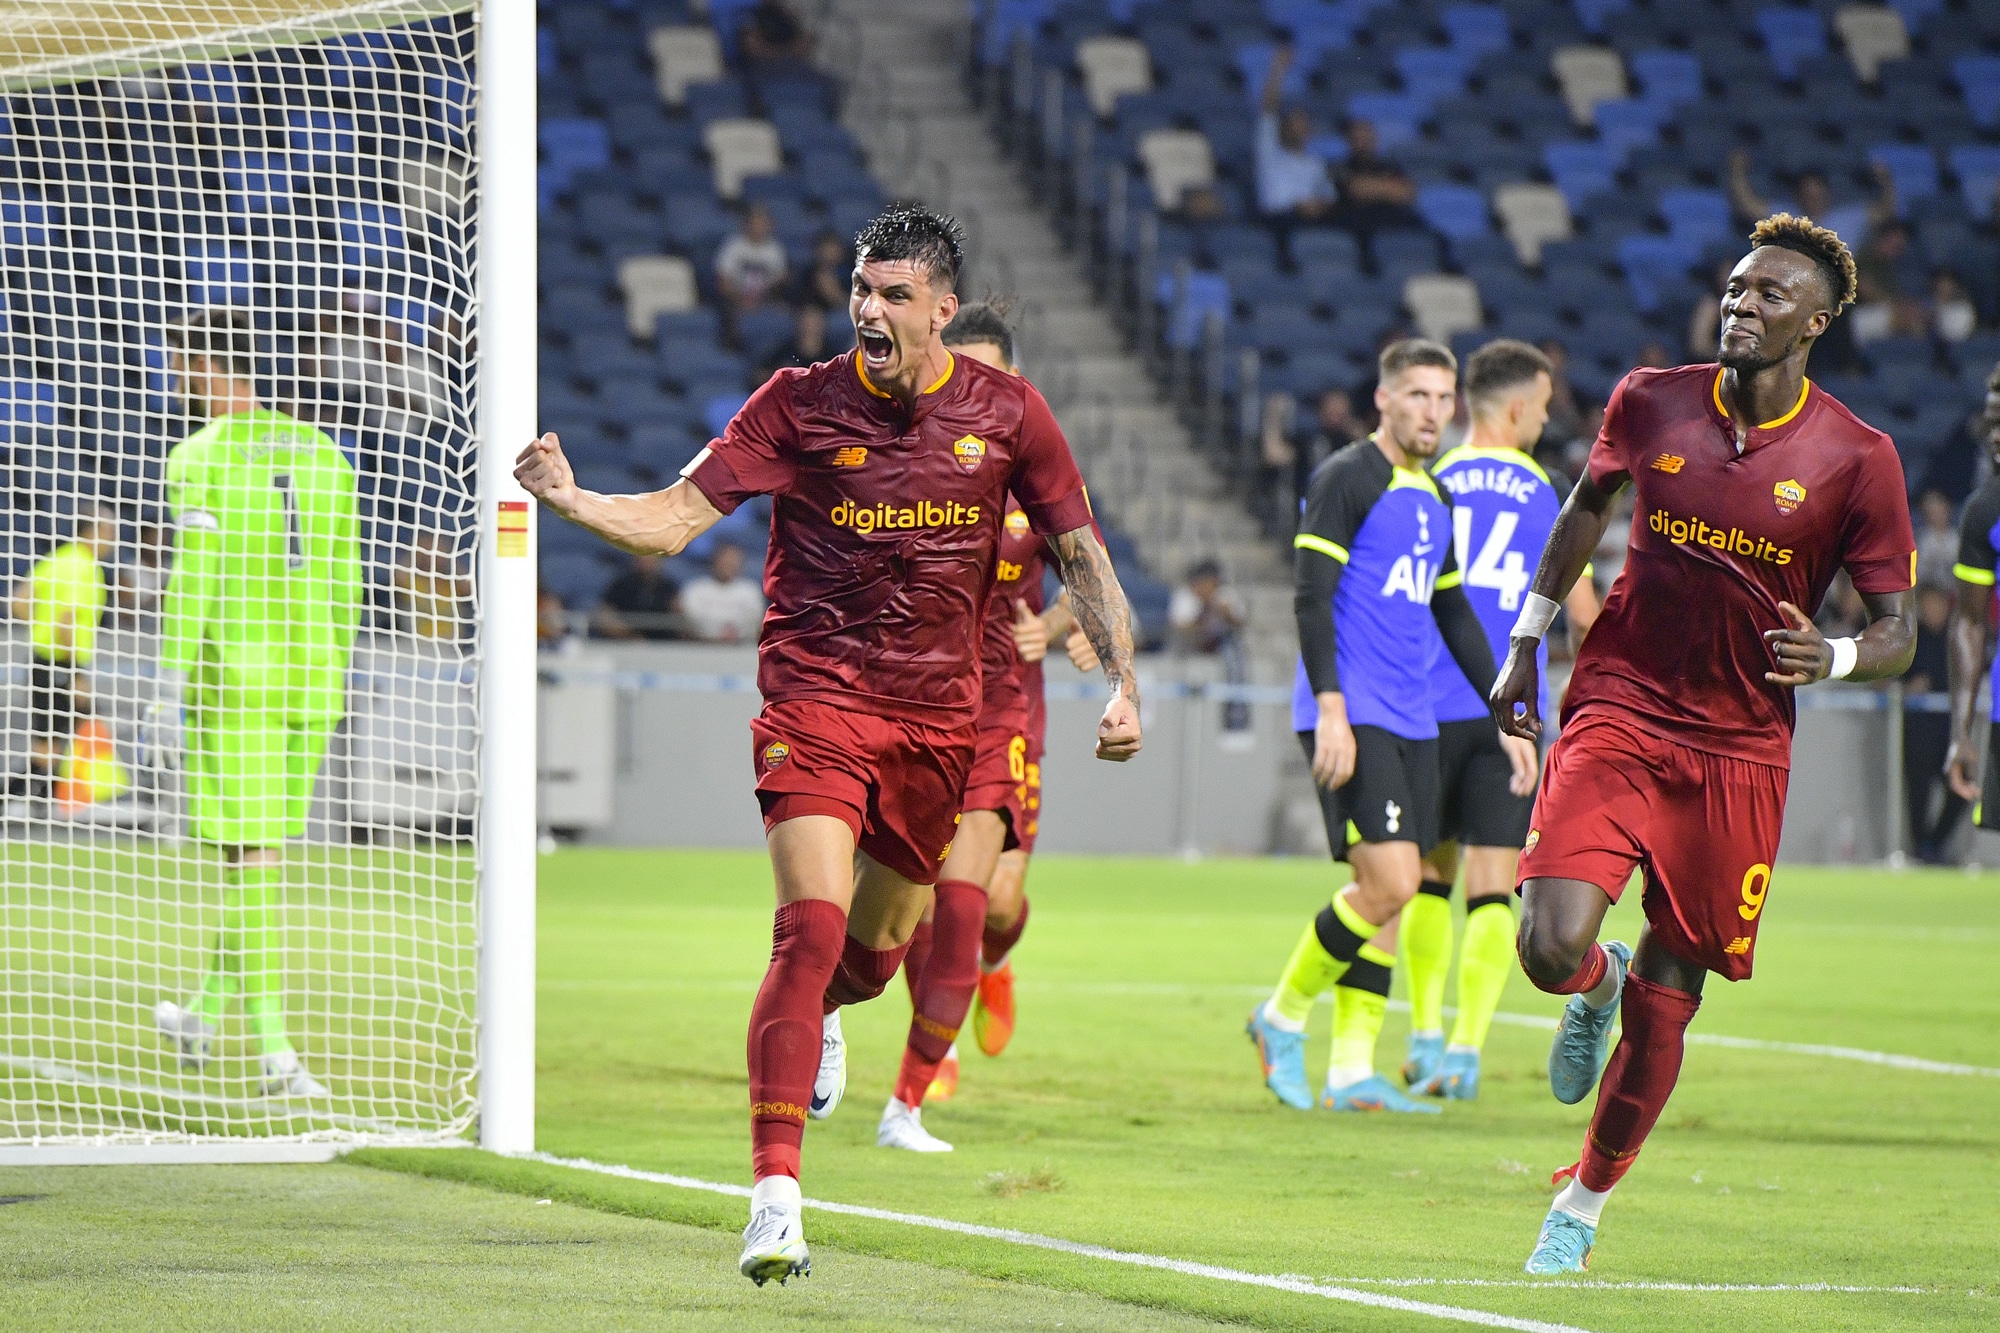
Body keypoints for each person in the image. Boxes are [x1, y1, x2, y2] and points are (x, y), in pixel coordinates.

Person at [512, 204, 1142, 1286]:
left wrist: (1125, 683)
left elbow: (1082, 555)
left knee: (875, 951)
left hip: (937, 723)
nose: (869, 310)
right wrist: (571, 500)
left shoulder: (1010, 414)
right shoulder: (796, 403)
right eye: (860, 289)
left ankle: (831, 1015)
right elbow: (675, 517)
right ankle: (774, 1202)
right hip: (815, 699)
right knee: (806, 929)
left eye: (895, 295)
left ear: (941, 309)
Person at [1492, 214, 1916, 1273]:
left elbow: (1898, 629)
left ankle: (1582, 1204)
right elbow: (1584, 508)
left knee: (1670, 997)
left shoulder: (1857, 457)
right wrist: (1525, 643)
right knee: (1545, 946)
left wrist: (1837, 656)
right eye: (1734, 288)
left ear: (1815, 323)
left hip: (1739, 748)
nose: (1741, 305)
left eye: (1769, 295)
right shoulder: (1650, 399)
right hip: (1623, 704)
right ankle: (1591, 983)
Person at [1244, 338, 1530, 1115]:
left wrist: (1506, 713)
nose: (1433, 413)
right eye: (1417, 396)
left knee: (1386, 894)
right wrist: (1330, 708)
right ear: (1384, 399)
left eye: (1443, 399)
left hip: (1415, 716)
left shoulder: (1434, 494)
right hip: (1354, 709)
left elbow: (1453, 610)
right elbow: (1311, 597)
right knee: (1394, 882)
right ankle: (1281, 1018)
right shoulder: (1347, 477)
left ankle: (1349, 1069)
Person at [883, 301, 1099, 1140]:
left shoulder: (1036, 466)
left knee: (997, 898)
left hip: (1006, 706)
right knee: (929, 890)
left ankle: (995, 963)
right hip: (919, 703)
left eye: (985, 372)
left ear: (1014, 380)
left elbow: (1092, 579)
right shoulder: (909, 462)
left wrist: (1064, 626)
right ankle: (927, 1060)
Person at [151, 308, 363, 1100]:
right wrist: (335, 668)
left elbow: (194, 576)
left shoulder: (199, 455)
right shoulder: (322, 450)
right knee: (262, 859)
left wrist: (167, 682)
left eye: (180, 363)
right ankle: (201, 1014)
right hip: (313, 676)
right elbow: (346, 576)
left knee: (251, 859)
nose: (175, 378)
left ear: (206, 365)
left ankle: (276, 1051)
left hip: (234, 684)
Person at [1400, 340, 1601, 1101]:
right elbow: (1583, 616)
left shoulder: (1431, 478)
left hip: (1425, 704)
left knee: (1428, 878)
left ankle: (1423, 1033)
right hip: (1508, 715)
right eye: (1543, 408)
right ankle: (1463, 1052)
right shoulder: (1549, 493)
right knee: (1491, 887)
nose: (1545, 420)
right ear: (1517, 409)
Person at [10, 501, 116, 796]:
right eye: (109, 532)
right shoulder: (83, 568)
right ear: (92, 532)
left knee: (52, 739)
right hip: (61, 663)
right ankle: (24, 796)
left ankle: (47, 796)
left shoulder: (58, 559)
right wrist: (74, 673)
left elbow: (19, 600)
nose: (112, 541)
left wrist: (40, 628)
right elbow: (67, 621)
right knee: (55, 741)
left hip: (42, 659)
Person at [1944, 366, 2000, 842]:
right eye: (1992, 422)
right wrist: (1960, 732)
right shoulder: (1985, 511)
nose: (1995, 436)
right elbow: (1969, 623)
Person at [1903, 585, 1965, 863]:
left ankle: (1935, 843)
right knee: (1918, 791)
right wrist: (1908, 687)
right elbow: (1889, 678)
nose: (1932, 610)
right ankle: (1921, 848)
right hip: (1918, 729)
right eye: (1926, 604)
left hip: (1950, 731)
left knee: (1961, 788)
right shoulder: (1911, 637)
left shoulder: (1957, 637)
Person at [1255, 45, 1335, 251]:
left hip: (1312, 220)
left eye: (1303, 124)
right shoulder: (1270, 153)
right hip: (1278, 220)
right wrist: (1278, 69)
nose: (1299, 128)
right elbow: (1268, 110)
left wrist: (1318, 206)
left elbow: (1328, 196)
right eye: (1293, 123)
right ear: (1283, 128)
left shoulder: (1316, 163)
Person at [1169, 559, 1251, 735]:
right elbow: (1180, 626)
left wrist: (1222, 610)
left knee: (1234, 655)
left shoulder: (1225, 595)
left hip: (1220, 645)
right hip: (1189, 645)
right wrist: (1203, 609)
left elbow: (1239, 622)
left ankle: (1235, 716)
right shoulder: (1186, 596)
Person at [1330, 119, 1420, 250]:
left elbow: (1406, 193)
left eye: (1367, 137)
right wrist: (1387, 188)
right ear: (1349, 140)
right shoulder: (1339, 167)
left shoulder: (1390, 166)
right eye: (1358, 138)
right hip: (1357, 223)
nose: (1363, 142)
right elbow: (1357, 191)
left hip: (1392, 219)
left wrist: (1372, 187)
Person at [392, 528, 472, 641]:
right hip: (420, 643)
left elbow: (469, 588)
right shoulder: (414, 583)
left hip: (452, 643)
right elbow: (398, 577)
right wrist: (415, 551)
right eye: (427, 552)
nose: (432, 557)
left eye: (437, 551)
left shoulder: (452, 584)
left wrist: (451, 558)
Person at [681, 540, 765, 643]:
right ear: (716, 560)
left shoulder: (750, 590)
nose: (729, 564)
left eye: (733, 561)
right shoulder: (696, 589)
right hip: (701, 646)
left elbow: (755, 621)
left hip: (742, 646)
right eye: (726, 560)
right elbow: (690, 622)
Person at [716, 203, 788, 313]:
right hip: (735, 299)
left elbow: (780, 279)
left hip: (766, 299)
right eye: (754, 223)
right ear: (746, 224)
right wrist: (741, 298)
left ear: (769, 225)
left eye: (762, 223)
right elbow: (723, 280)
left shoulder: (776, 249)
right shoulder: (733, 245)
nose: (758, 227)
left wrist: (760, 297)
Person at [593, 553, 682, 641]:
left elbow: (677, 615)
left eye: (651, 558)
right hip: (625, 642)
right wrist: (629, 636)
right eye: (642, 557)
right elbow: (605, 614)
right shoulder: (621, 585)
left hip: (662, 643)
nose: (646, 562)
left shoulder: (668, 587)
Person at [739, 0, 813, 65]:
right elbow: (753, 49)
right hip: (760, 68)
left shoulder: (787, 16)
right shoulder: (751, 15)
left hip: (793, 66)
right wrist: (786, 52)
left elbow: (805, 44)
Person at [1915, 488, 1958, 593]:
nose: (1935, 513)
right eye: (1931, 509)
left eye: (1939, 508)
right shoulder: (1919, 540)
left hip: (1954, 593)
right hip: (1926, 593)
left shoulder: (1957, 538)